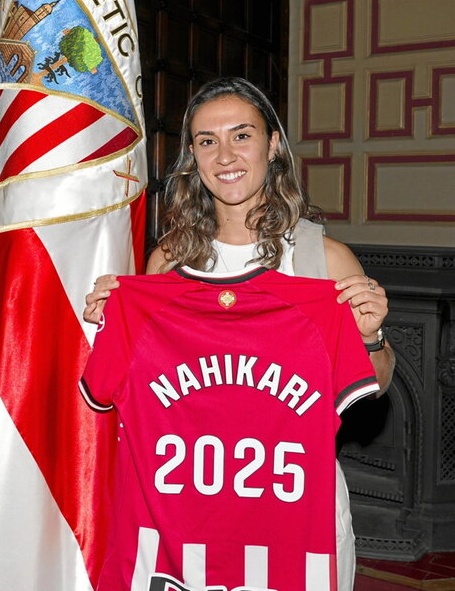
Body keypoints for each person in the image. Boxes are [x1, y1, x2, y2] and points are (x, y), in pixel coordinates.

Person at [83, 76, 395, 590]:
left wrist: (370, 338)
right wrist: (107, 320)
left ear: (273, 145)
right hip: (183, 519)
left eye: (242, 135)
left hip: (296, 515)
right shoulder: (168, 263)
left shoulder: (323, 259)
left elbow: (373, 385)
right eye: (208, 141)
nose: (225, 154)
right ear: (193, 156)